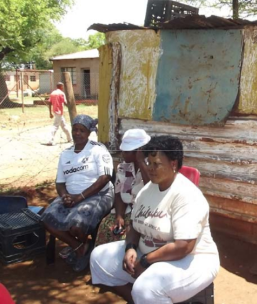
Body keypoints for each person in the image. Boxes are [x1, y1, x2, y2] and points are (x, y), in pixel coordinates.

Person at [90, 135, 219, 304]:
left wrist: (145, 260)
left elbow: (184, 246)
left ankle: (144, 297)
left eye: (156, 164)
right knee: (98, 258)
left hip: (191, 260)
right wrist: (130, 248)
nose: (150, 168)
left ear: (173, 164)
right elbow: (134, 226)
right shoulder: (147, 190)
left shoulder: (186, 195)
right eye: (148, 163)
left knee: (146, 289)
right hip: (148, 254)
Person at [40, 114, 114, 272]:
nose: (77, 133)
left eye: (82, 130)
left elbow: (105, 177)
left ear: (88, 133)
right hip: (71, 196)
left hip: (98, 195)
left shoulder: (98, 150)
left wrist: (80, 197)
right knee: (47, 219)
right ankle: (81, 247)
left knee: (77, 224)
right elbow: (60, 182)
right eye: (75, 130)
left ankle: (82, 250)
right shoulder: (65, 154)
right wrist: (64, 196)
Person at [95, 129, 151, 246]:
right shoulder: (123, 167)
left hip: (145, 213)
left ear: (138, 152)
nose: (123, 154)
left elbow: (152, 187)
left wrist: (141, 162)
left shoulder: (152, 166)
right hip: (127, 210)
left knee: (125, 237)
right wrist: (119, 216)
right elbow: (119, 193)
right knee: (106, 226)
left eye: (126, 152)